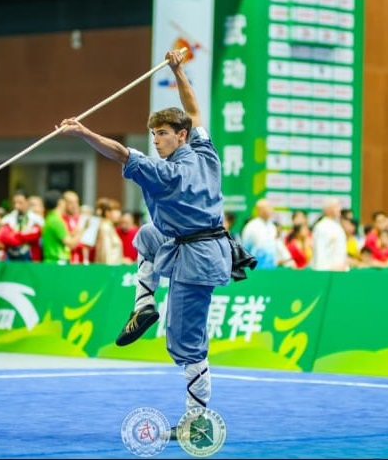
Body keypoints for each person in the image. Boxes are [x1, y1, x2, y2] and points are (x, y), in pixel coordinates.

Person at [56, 49, 253, 434]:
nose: (157, 139)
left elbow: (118, 152)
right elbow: (193, 107)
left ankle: (197, 422)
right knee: (147, 235)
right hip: (191, 242)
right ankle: (144, 305)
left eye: (162, 133)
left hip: (198, 259)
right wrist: (179, 71)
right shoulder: (204, 151)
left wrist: (82, 132)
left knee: (184, 342)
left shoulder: (162, 172)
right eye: (153, 134)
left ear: (180, 136)